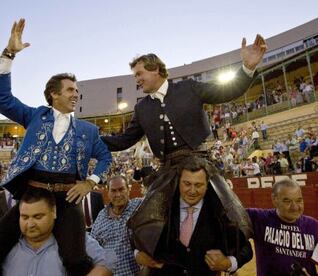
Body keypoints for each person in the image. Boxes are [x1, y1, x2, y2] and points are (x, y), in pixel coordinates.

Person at [0, 18, 112, 276]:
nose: (76, 94)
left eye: (76, 90)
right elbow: (1, 97)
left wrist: (90, 182)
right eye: (70, 90)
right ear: (53, 94)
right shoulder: (35, 116)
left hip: (68, 200)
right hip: (32, 198)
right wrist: (9, 54)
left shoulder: (88, 130)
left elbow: (104, 158)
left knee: (76, 260)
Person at [102, 35, 267, 256]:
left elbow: (225, 92)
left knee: (230, 216)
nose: (137, 80)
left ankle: (229, 262)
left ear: (155, 70)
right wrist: (92, 139)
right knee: (146, 221)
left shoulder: (189, 88)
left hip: (200, 162)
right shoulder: (142, 109)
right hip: (168, 170)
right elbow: (124, 140)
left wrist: (247, 67)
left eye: (139, 74)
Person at [135, 156, 253, 275]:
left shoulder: (218, 212)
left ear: (207, 185)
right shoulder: (161, 207)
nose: (192, 191)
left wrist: (228, 263)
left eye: (198, 185)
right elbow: (134, 239)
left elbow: (246, 249)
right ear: (178, 182)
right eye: (187, 184)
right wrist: (137, 254)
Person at [2, 187, 113, 276]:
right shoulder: (4, 245)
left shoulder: (73, 238)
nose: (30, 224)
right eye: (25, 217)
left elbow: (107, 264)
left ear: (54, 212)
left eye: (38, 217)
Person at [247, 178, 318, 276]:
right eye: (287, 201)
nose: (295, 207)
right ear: (274, 200)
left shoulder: (314, 226)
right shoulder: (259, 218)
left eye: (299, 200)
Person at [90, 175, 142, 275]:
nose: (117, 194)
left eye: (121, 189)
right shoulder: (101, 216)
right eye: (113, 191)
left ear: (128, 189)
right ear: (108, 192)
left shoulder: (139, 206)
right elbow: (93, 247)